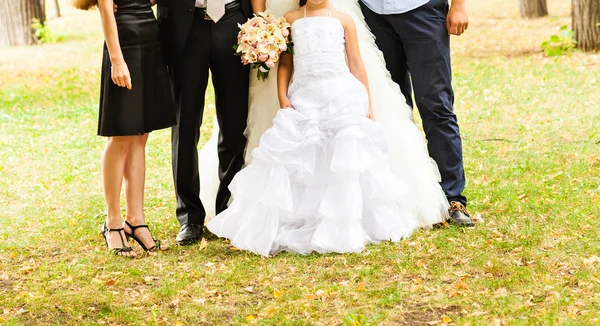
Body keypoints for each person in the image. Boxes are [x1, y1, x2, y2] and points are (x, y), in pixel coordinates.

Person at [206, 0, 442, 257]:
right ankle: (304, 216)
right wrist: (283, 98)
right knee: (302, 151)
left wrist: (367, 101)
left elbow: (356, 63)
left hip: (341, 94)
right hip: (304, 95)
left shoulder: (343, 19)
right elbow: (286, 64)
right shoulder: (291, 19)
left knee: (344, 151)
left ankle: (345, 218)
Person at [74, 0, 175, 256]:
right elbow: (107, 11)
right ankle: (113, 223)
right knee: (120, 136)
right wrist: (117, 61)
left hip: (150, 37)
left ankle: (136, 219)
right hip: (123, 41)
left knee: (140, 136)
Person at [359, 0, 473, 226]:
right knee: (390, 108)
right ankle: (403, 197)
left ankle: (452, 199)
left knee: (436, 106)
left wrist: (458, 5)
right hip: (371, 13)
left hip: (423, 9)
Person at [155, 0, 254, 245]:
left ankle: (227, 209)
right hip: (186, 27)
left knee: (234, 124)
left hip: (234, 23)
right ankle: (190, 217)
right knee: (185, 126)